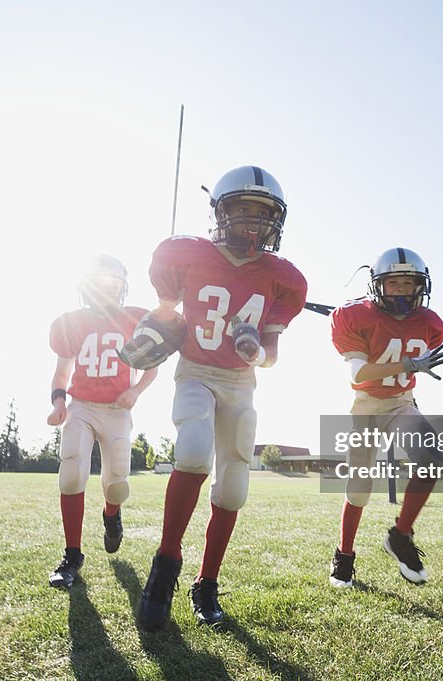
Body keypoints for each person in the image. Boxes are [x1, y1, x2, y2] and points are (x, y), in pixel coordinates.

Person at [130, 165, 307, 630]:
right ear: (221, 212)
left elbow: (271, 356)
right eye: (243, 209)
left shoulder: (283, 278)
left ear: (277, 222)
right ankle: (165, 566)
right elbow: (166, 312)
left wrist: (256, 351)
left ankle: (206, 584)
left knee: (234, 486)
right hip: (196, 371)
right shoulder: (186, 255)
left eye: (262, 213)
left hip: (239, 383)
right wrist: (155, 327)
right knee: (190, 452)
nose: (252, 221)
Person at [328, 248, 443, 588]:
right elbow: (359, 375)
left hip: (401, 403)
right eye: (393, 283)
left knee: (431, 458)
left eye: (408, 284)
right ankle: (345, 554)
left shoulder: (429, 323)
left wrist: (409, 374)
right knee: (359, 489)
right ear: (378, 285)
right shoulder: (355, 316)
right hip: (367, 405)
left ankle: (400, 535)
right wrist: (408, 365)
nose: (401, 290)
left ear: (420, 287)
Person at [45, 255, 158, 589]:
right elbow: (62, 372)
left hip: (117, 410)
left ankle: (111, 515)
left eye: (113, 284)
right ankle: (72, 555)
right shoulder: (72, 323)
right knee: (71, 472)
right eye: (100, 283)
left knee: (117, 480)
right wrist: (58, 401)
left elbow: (152, 367)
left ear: (122, 288)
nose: (106, 290)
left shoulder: (135, 319)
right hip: (81, 406)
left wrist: (136, 391)